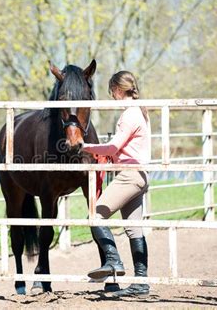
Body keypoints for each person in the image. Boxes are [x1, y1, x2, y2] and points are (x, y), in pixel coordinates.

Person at [82, 71, 151, 297]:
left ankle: (114, 262)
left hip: (129, 176)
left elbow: (113, 147)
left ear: (119, 90)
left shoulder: (130, 114)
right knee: (134, 229)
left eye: (112, 92)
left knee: (95, 216)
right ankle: (141, 283)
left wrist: (87, 147)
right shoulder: (139, 111)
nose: (112, 96)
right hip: (139, 175)